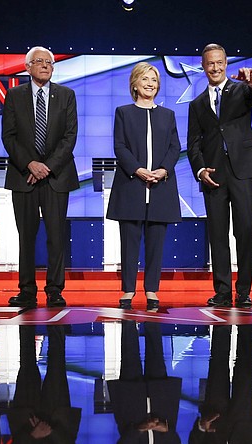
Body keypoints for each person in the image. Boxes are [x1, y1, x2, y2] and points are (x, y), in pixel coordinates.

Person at [187, 43, 252, 309]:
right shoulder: (197, 104)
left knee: (245, 229)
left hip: (243, 170)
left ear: (226, 63)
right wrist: (200, 170)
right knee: (218, 234)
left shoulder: (241, 89)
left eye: (220, 62)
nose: (215, 67)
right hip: (213, 176)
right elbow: (193, 143)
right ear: (203, 66)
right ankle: (222, 291)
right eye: (210, 63)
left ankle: (243, 291)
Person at [2, 46, 79, 309]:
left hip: (56, 176)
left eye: (50, 62)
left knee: (56, 236)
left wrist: (46, 166)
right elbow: (8, 136)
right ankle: (26, 290)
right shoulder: (13, 95)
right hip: (24, 176)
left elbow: (70, 137)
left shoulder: (66, 95)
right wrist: (30, 164)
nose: (45, 65)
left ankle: (55, 290)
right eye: (39, 61)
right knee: (26, 235)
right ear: (27, 67)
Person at [107, 62, 182, 310]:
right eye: (146, 79)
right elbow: (120, 146)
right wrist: (138, 170)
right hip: (132, 186)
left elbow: (175, 147)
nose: (150, 84)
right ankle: (128, 290)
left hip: (160, 188)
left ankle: (151, 290)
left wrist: (163, 170)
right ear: (135, 84)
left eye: (154, 80)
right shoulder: (124, 112)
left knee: (156, 244)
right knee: (129, 243)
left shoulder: (167, 115)